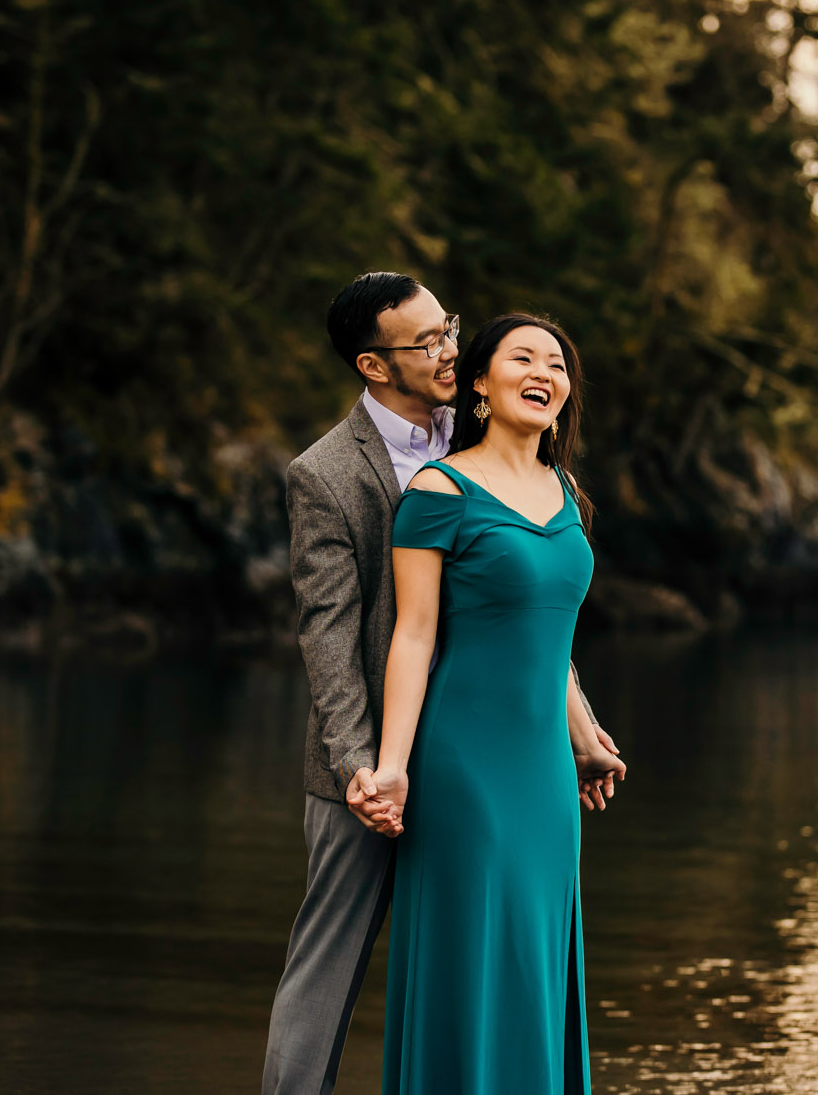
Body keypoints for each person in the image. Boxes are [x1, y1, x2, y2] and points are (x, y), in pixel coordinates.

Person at [262, 277, 623, 1095]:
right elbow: (329, 634)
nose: (449, 350)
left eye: (450, 330)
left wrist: (581, 726)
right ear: (373, 363)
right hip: (371, 763)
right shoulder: (325, 474)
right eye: (425, 342)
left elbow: (520, 611)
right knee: (325, 974)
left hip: (493, 751)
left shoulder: (495, 434)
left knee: (500, 960)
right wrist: (365, 766)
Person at [367, 312, 618, 1095]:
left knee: (534, 958)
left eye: (558, 361)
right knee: (474, 954)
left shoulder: (566, 492)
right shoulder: (439, 491)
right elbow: (412, 635)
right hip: (463, 767)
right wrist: (393, 767)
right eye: (524, 357)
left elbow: (550, 635)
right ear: (479, 380)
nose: (545, 371)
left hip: (545, 774)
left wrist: (582, 731)